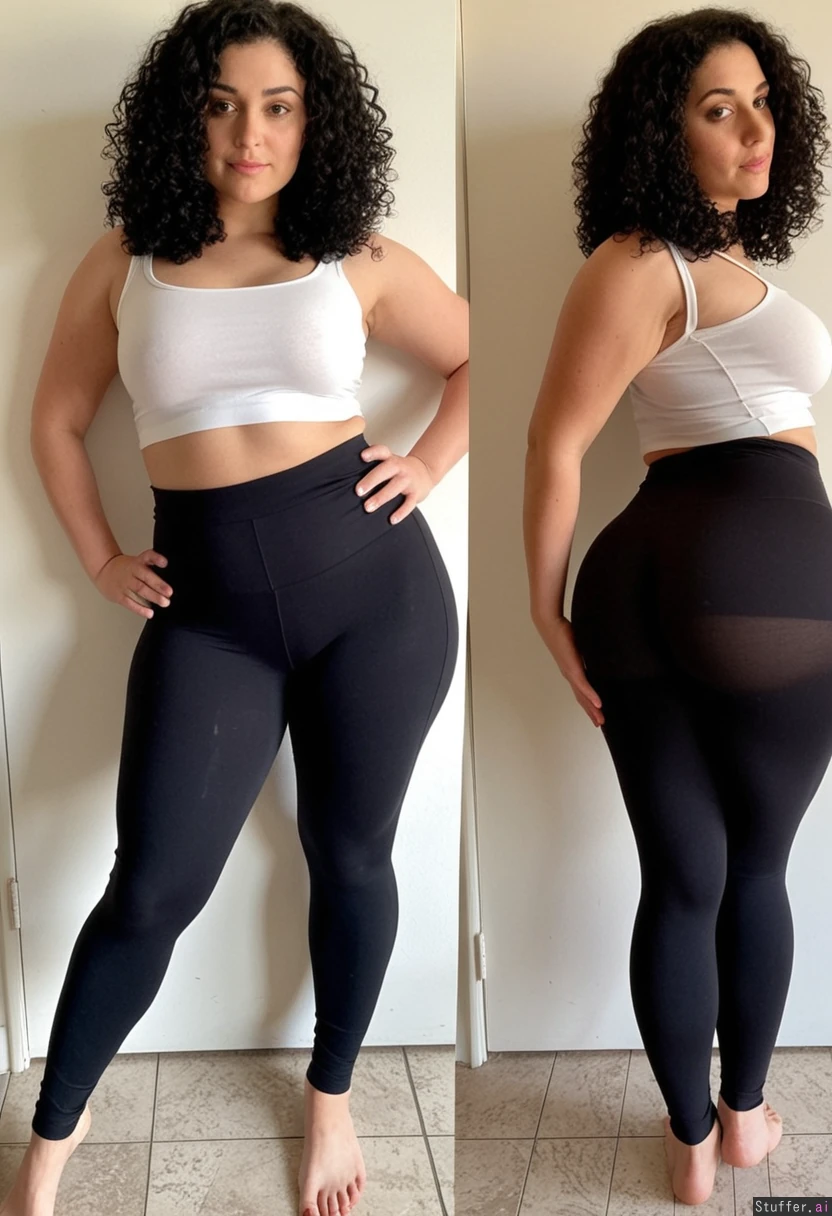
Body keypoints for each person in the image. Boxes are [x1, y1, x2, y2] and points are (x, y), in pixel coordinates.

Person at [12, 3, 467, 1215]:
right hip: (205, 613)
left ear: (315, 122)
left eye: (277, 107)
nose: (248, 135)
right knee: (154, 886)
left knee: (348, 852)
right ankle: (51, 1138)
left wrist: (428, 462)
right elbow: (55, 419)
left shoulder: (356, 254)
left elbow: (484, 355)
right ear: (185, 118)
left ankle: (331, 1092)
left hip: (378, 597)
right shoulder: (126, 258)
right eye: (220, 106)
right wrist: (100, 557)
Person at [523, 7, 831, 1207]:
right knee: (750, 871)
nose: (754, 128)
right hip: (767, 591)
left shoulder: (700, 267)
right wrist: (537, 610)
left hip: (642, 589)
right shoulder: (644, 259)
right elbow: (555, 443)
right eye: (717, 108)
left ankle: (691, 1142)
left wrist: (557, 608)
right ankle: (741, 1120)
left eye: (762, 102)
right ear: (665, 131)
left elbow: (562, 444)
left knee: (682, 875)